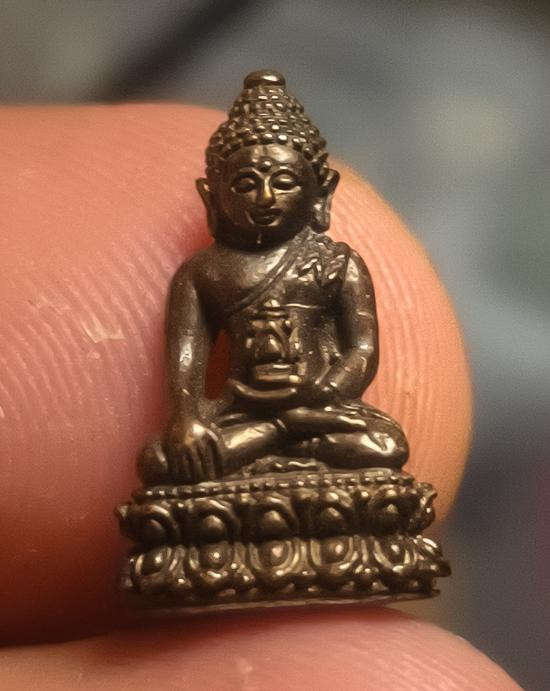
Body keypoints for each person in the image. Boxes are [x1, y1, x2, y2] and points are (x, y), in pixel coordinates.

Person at [0, 102, 518, 688]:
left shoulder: (336, 264)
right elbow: (186, 361)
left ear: (321, 191)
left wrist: (320, 391)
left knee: (386, 445)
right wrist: (188, 419)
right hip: (244, 414)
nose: (265, 196)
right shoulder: (203, 274)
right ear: (212, 195)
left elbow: (361, 352)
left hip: (319, 409)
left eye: (284, 180)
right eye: (245, 183)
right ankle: (275, 439)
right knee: (163, 462)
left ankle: (279, 442)